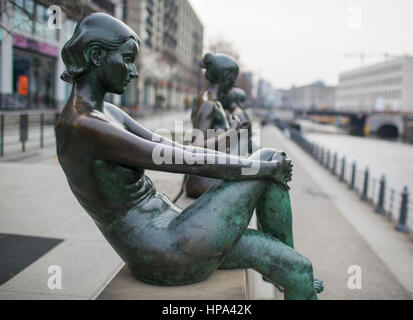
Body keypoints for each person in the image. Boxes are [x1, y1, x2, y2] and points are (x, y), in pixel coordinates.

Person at [56, 13, 322, 299]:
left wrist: (261, 166)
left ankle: (283, 272)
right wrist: (263, 168)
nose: (134, 71)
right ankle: (283, 269)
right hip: (165, 252)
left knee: (298, 268)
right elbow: (176, 160)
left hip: (173, 236)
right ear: (96, 56)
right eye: (127, 58)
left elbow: (179, 149)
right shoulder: (85, 125)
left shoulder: (107, 114)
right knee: (269, 161)